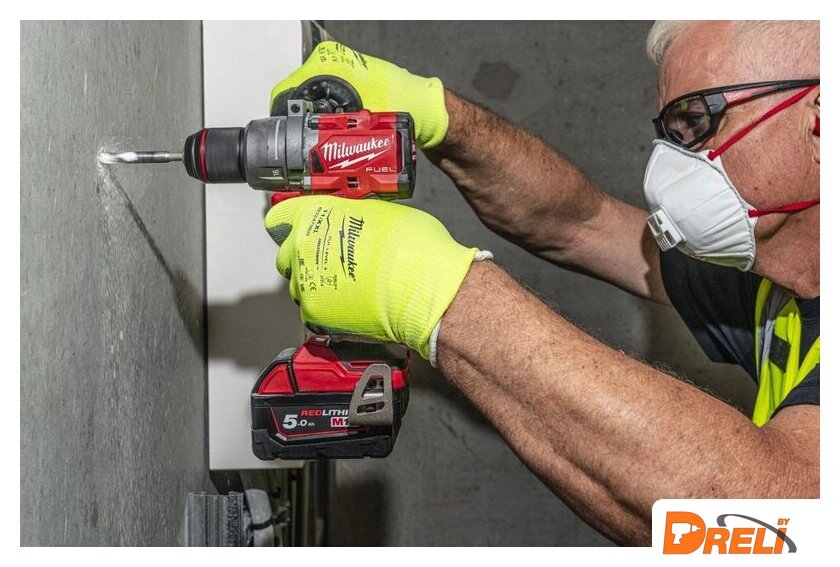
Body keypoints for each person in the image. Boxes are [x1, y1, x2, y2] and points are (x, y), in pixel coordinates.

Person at [264, 21, 820, 544]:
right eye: (670, 135)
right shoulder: (781, 282)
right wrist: (438, 116)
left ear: (819, 122)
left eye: (696, 122)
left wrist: (428, 290)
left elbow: (778, 521)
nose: (669, 170)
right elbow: (581, 223)